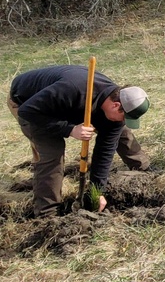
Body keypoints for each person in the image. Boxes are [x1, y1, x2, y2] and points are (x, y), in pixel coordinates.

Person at [7, 65, 150, 217]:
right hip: (32, 105)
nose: (123, 120)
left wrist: (97, 191)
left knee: (120, 130)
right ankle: (47, 213)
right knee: (52, 152)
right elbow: (28, 111)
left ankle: (144, 170)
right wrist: (69, 129)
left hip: (70, 106)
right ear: (116, 105)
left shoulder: (114, 104)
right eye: (125, 117)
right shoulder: (72, 89)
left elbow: (105, 151)